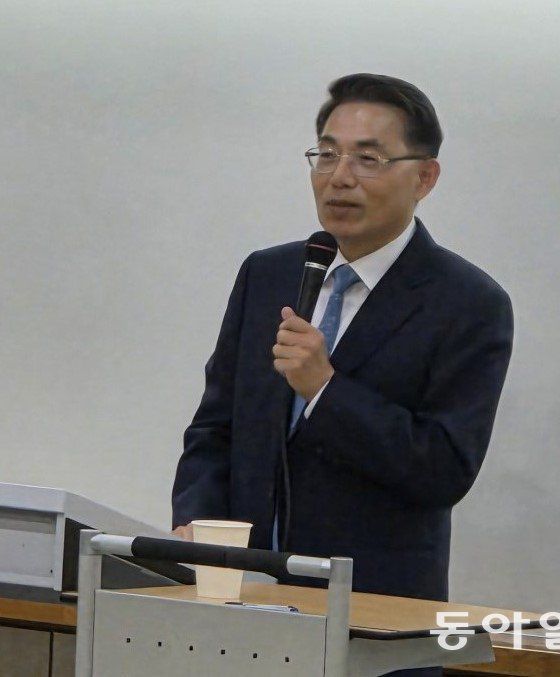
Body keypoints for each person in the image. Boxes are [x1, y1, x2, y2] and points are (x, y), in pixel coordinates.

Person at [172, 73, 514, 676]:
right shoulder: (268, 275)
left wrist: (325, 390)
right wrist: (194, 525)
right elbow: (216, 427)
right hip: (240, 617)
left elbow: (443, 468)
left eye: (368, 158)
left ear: (425, 177)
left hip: (375, 624)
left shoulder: (467, 303)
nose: (339, 177)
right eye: (326, 155)